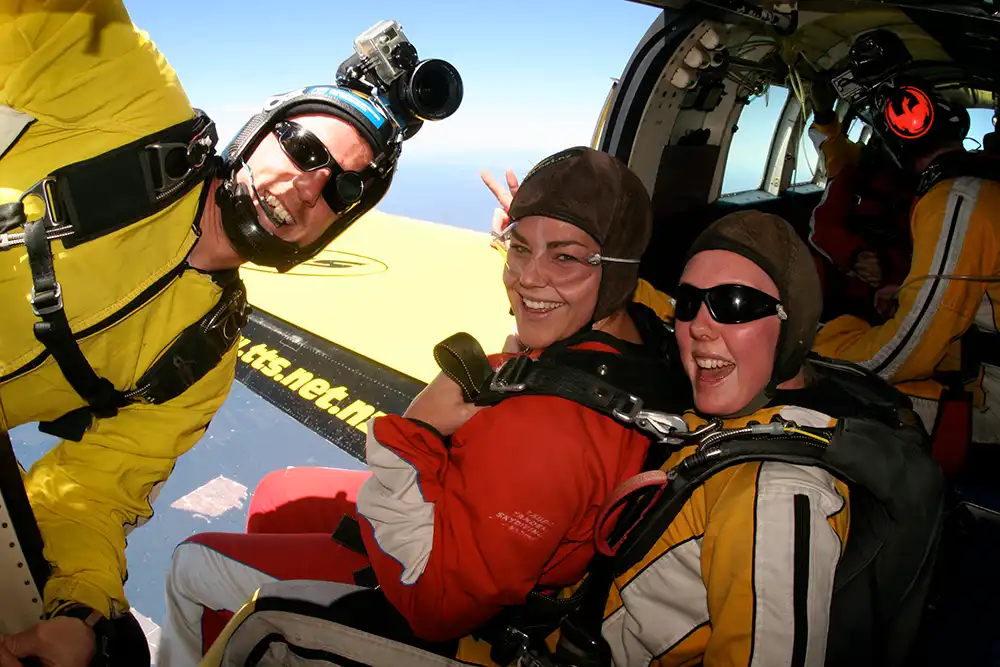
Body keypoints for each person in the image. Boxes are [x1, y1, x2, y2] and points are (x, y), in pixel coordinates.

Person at [0, 1, 430, 664]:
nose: (310, 185)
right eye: (306, 148)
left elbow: (91, 489)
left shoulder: (202, 354)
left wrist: (81, 608)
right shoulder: (129, 96)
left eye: (341, 190)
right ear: (259, 131)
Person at [154, 146, 691, 664]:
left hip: (457, 599)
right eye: (520, 248)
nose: (527, 277)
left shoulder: (552, 431)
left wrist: (419, 431)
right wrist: (549, 243)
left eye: (566, 256)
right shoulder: (641, 327)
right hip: (480, 512)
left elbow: (436, 606)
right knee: (278, 494)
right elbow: (591, 277)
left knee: (192, 565)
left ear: (615, 269)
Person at [811, 63, 1000, 458]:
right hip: (969, 359)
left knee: (829, 394)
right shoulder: (979, 188)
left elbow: (901, 355)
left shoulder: (958, 201)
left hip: (989, 398)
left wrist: (817, 356)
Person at [806, 76, 917, 323]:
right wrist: (854, 256)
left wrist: (891, 270)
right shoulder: (858, 169)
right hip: (842, 294)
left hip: (902, 297)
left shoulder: (933, 184)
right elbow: (823, 225)